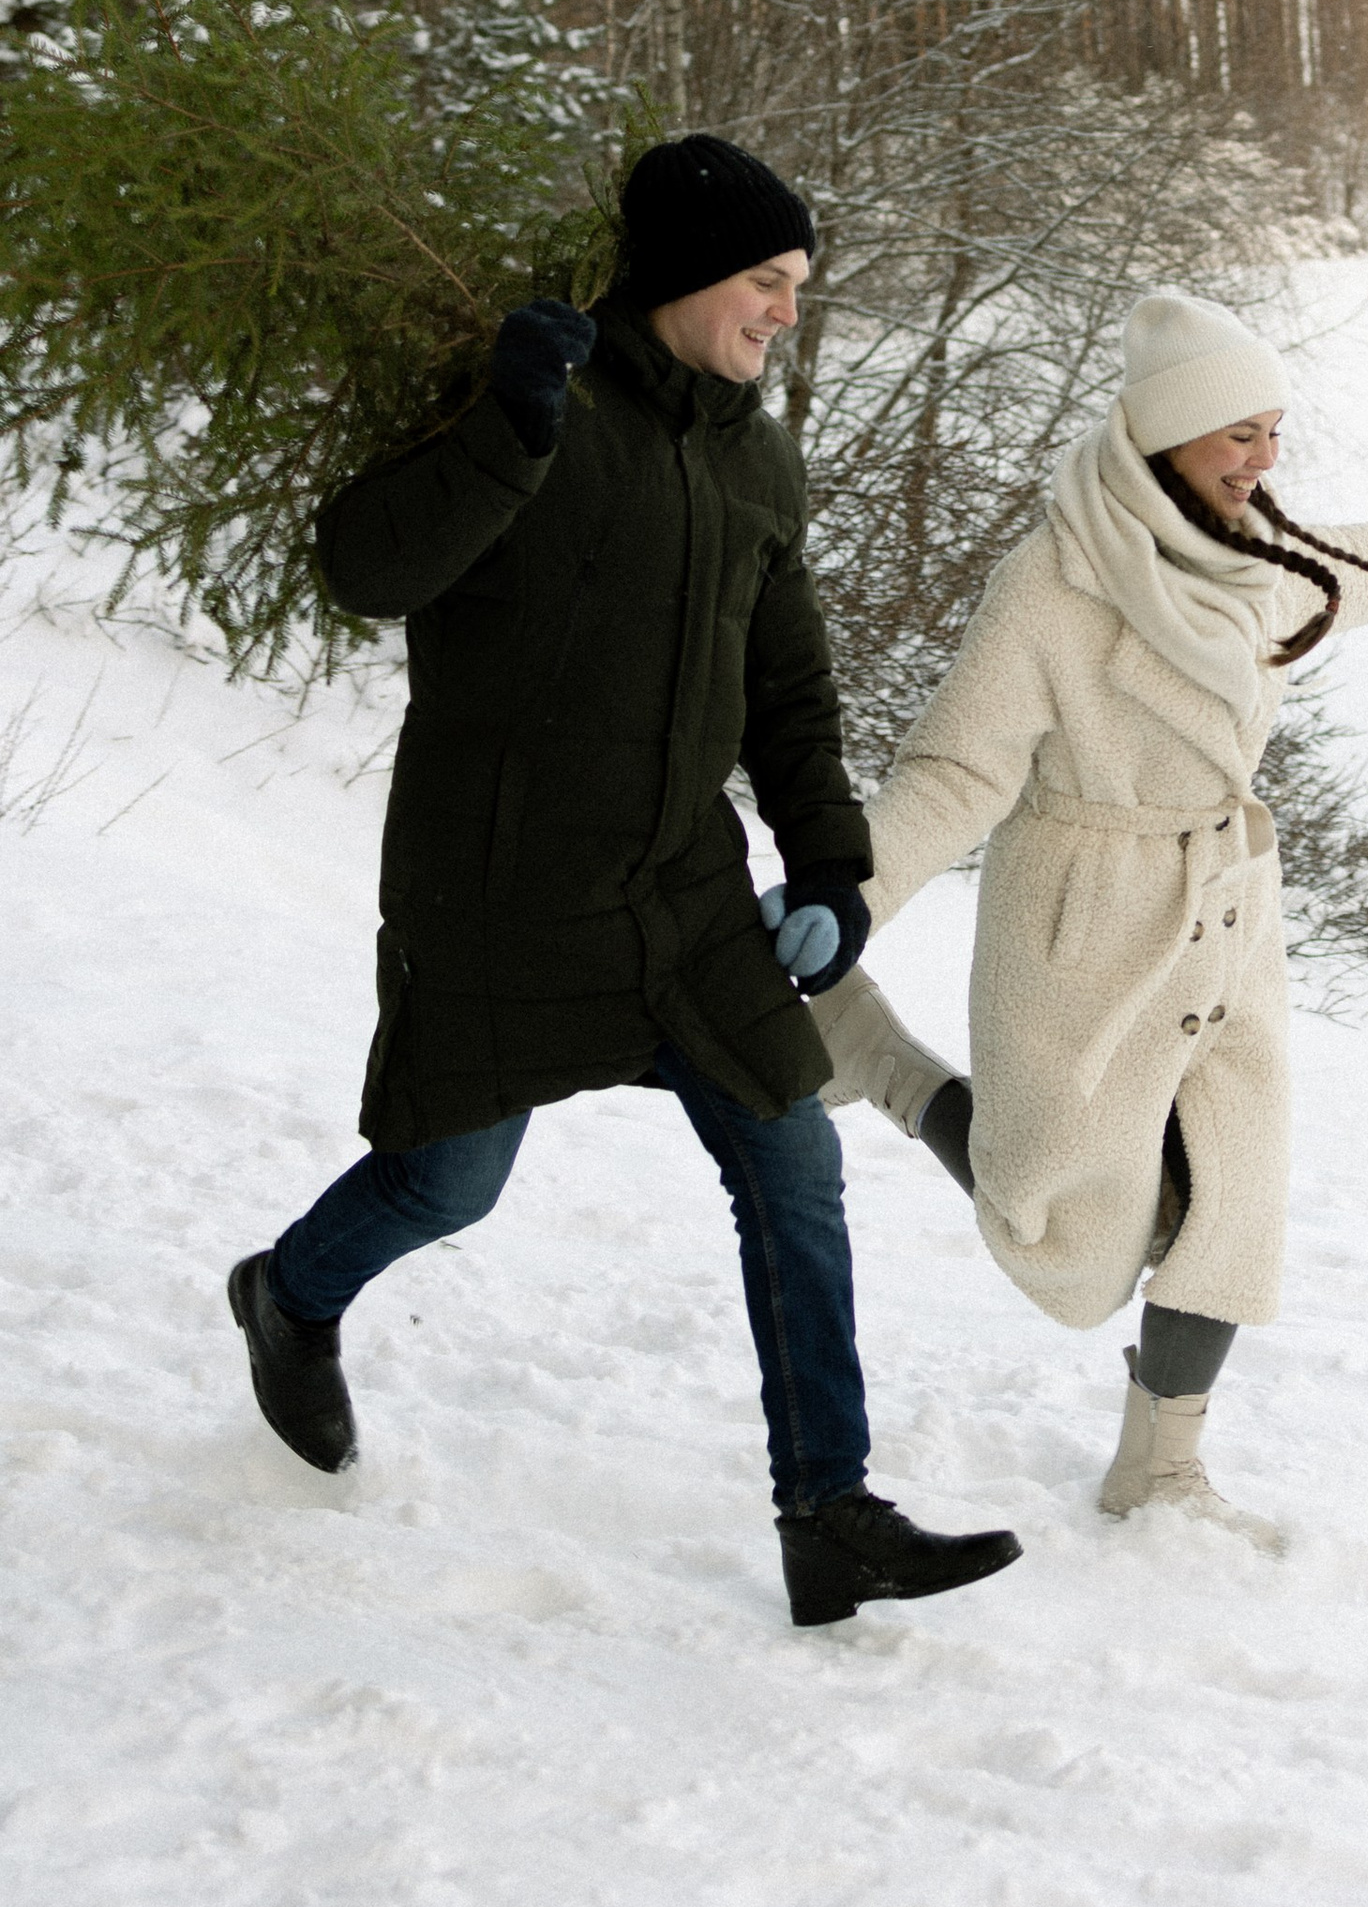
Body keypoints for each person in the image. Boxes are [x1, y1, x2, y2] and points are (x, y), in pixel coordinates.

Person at [224, 133, 1022, 1631]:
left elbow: (790, 690)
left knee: (793, 1157)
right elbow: (363, 567)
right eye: (769, 282)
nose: (788, 311)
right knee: (448, 1181)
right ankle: (291, 1298)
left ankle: (829, 1510)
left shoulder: (752, 451)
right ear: (683, 276)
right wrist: (503, 433)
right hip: (503, 887)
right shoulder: (535, 401)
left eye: (797, 286)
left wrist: (834, 867)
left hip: (678, 889)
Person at [811, 289, 1368, 1543]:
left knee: (1229, 1201)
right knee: (1057, 1212)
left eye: (1273, 431)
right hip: (1084, 913)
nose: (1266, 461)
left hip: (1223, 909)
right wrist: (854, 893)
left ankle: (1159, 1469)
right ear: (1164, 442)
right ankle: (874, 1055)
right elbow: (960, 770)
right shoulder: (1056, 582)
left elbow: (1363, 570)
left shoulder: (1252, 556)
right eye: (1239, 437)